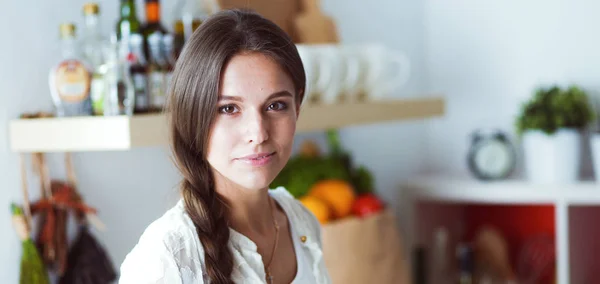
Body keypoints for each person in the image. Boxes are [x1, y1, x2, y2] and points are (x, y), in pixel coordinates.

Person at [118, 8, 331, 284]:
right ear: (193, 115)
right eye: (229, 108)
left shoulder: (301, 221)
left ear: (297, 107)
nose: (258, 133)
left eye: (276, 105)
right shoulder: (166, 257)